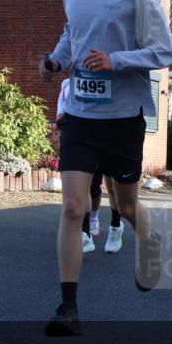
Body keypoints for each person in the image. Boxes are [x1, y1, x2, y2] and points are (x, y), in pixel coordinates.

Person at [38, 0, 172, 337]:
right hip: (79, 113)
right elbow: (71, 33)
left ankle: (148, 246)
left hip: (122, 119)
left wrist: (116, 61)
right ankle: (67, 307)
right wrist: (57, 58)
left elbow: (164, 52)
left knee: (127, 205)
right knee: (73, 207)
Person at [56, 78, 123, 254]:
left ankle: (116, 226)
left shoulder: (108, 79)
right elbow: (60, 117)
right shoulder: (66, 85)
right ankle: (85, 234)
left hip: (110, 138)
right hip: (83, 141)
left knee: (112, 186)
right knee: (84, 185)